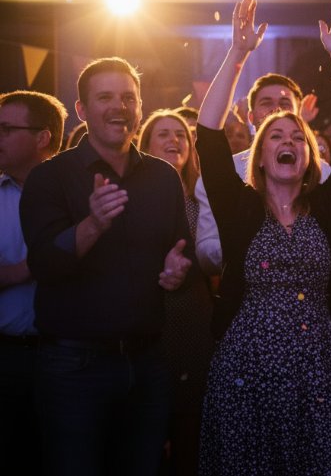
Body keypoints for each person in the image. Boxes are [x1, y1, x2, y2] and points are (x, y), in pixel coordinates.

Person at [195, 0, 331, 475]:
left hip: (317, 366)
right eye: (276, 136)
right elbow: (207, 135)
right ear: (260, 153)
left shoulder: (326, 207)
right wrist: (237, 54)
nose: (288, 142)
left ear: (309, 155)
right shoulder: (239, 207)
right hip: (245, 364)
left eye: (297, 138)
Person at [20, 57, 193, 475]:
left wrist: (178, 271)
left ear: (140, 106)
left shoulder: (163, 177)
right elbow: (45, 265)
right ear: (81, 109)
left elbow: (180, 251)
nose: (119, 106)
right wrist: (93, 224)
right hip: (74, 367)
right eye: (105, 97)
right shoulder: (50, 177)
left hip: (147, 362)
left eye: (128, 97)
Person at [193, 68, 331, 277]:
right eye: (266, 103)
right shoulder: (228, 171)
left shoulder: (322, 172)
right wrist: (255, 252)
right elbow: (205, 252)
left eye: (285, 103)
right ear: (250, 116)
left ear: (299, 115)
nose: (276, 110)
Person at [138, 109, 214, 475]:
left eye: (181, 134)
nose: (174, 140)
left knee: (192, 421)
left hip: (197, 318)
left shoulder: (204, 198)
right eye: (163, 134)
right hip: (151, 318)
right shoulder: (136, 197)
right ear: (145, 145)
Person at [0, 90, 66, 476]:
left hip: (70, 357)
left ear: (42, 138)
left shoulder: (77, 196)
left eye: (7, 129)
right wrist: (26, 269)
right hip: (7, 357)